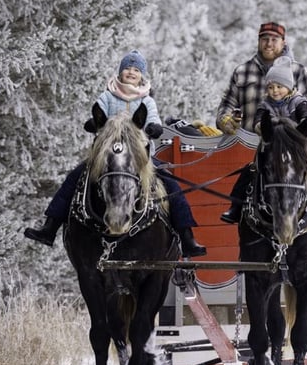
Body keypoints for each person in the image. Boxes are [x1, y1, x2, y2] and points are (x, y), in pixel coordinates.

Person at [24, 50, 207, 257]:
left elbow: (152, 118)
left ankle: (187, 237)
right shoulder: (108, 95)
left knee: (172, 186)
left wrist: (154, 127)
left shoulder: (146, 101)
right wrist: (95, 122)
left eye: (136, 70)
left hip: (139, 158)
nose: (131, 72)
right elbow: (99, 111)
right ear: (120, 72)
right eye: (127, 68)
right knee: (74, 178)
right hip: (107, 156)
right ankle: (49, 228)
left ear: (141, 75)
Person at [219, 55, 307, 226]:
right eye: (271, 87)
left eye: (279, 86)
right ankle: (235, 207)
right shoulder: (264, 106)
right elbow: (258, 122)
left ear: (289, 87)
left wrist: (303, 125)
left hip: (300, 146)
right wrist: (263, 128)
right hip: (273, 147)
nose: (275, 91)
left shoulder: (299, 102)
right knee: (250, 171)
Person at [216, 21, 307, 135]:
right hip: (248, 144)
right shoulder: (242, 72)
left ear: (283, 43)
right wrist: (225, 120)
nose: (269, 44)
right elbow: (227, 104)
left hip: (291, 143)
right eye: (265, 39)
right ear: (259, 42)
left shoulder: (298, 70)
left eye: (274, 39)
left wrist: (306, 122)